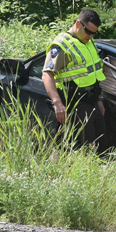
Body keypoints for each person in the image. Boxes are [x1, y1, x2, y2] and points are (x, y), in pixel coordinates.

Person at [42, 9, 108, 152]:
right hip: (76, 103)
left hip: (93, 100)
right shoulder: (61, 45)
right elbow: (47, 75)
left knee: (102, 144)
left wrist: (100, 99)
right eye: (88, 32)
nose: (91, 36)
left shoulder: (89, 42)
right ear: (78, 24)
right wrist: (58, 104)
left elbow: (94, 74)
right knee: (87, 148)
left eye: (94, 33)